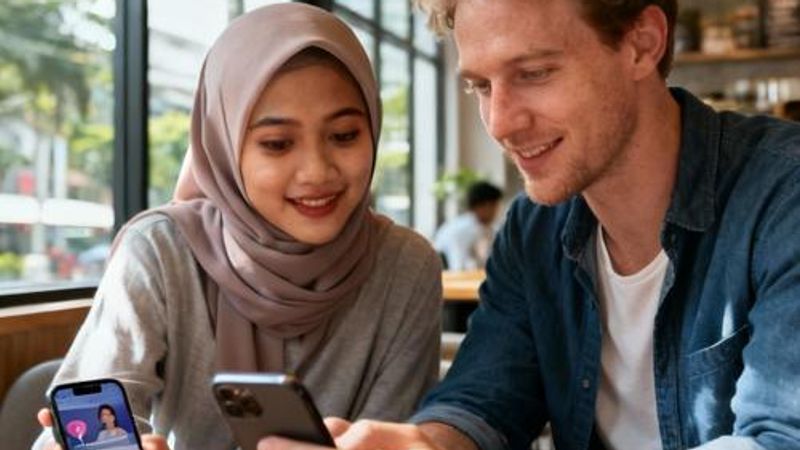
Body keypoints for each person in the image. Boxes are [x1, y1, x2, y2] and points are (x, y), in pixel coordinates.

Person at [261, 0, 800, 449]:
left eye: (534, 73)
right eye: (480, 85)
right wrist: (421, 444)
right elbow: (484, 401)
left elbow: (779, 438)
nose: (501, 122)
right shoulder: (533, 228)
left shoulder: (783, 196)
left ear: (642, 43)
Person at [34, 3, 442, 449]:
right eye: (277, 143)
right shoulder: (160, 251)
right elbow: (77, 429)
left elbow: (397, 437)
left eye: (344, 136)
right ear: (223, 145)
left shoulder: (405, 265)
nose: (317, 172)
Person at [433, 181, 503, 270]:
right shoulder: (461, 230)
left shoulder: (487, 228)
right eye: (494, 205)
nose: (497, 211)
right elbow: (458, 267)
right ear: (482, 206)